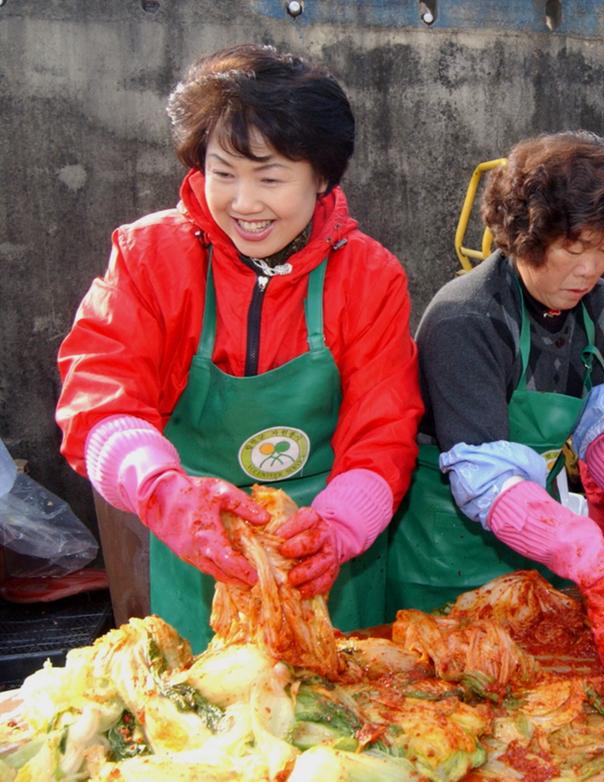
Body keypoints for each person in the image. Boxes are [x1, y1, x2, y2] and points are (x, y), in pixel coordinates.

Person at [56, 45, 423, 650]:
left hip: (327, 555)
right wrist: (163, 492)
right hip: (200, 546)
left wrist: (338, 527)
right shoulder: (149, 257)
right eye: (224, 173)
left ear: (323, 177)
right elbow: (100, 392)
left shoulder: (369, 277)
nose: (244, 204)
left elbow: (384, 430)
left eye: (271, 178)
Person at [388, 132, 604, 672]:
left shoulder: (596, 305)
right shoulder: (467, 319)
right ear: (527, 235)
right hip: (448, 553)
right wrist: (590, 557)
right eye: (574, 248)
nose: (590, 270)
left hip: (541, 540)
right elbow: (486, 478)